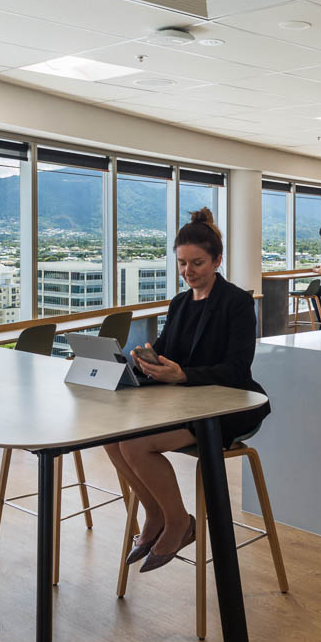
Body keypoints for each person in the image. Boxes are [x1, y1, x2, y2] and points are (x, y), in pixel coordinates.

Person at [104, 208, 269, 573]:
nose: (188, 272)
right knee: (112, 440)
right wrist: (148, 363)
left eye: (197, 263)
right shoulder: (179, 304)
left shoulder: (237, 303)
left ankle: (179, 522)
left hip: (229, 404)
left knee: (135, 444)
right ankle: (155, 516)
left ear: (217, 261)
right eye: (182, 263)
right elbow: (168, 352)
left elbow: (237, 368)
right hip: (184, 401)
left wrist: (182, 376)